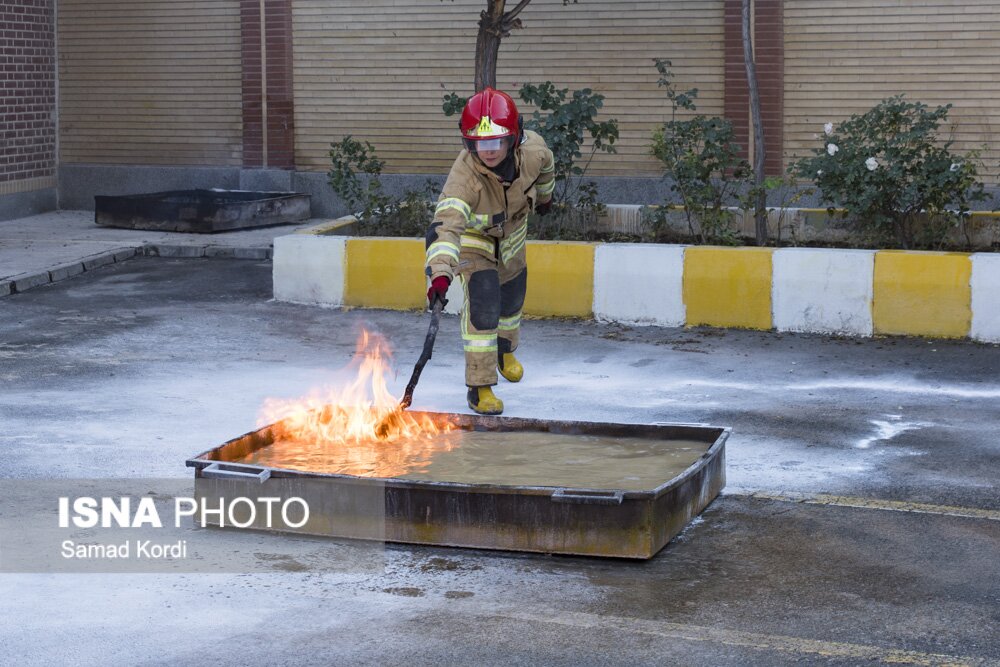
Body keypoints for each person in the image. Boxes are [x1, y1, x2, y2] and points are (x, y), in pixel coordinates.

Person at [424, 87, 555, 415]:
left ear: (513, 138)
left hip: (512, 241)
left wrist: (545, 197)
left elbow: (548, 167)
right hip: (476, 242)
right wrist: (440, 276)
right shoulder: (464, 180)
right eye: (481, 144)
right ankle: (479, 386)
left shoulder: (534, 151)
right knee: (484, 305)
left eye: (496, 142)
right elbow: (445, 228)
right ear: (469, 143)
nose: (490, 151)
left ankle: (505, 351)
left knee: (512, 300)